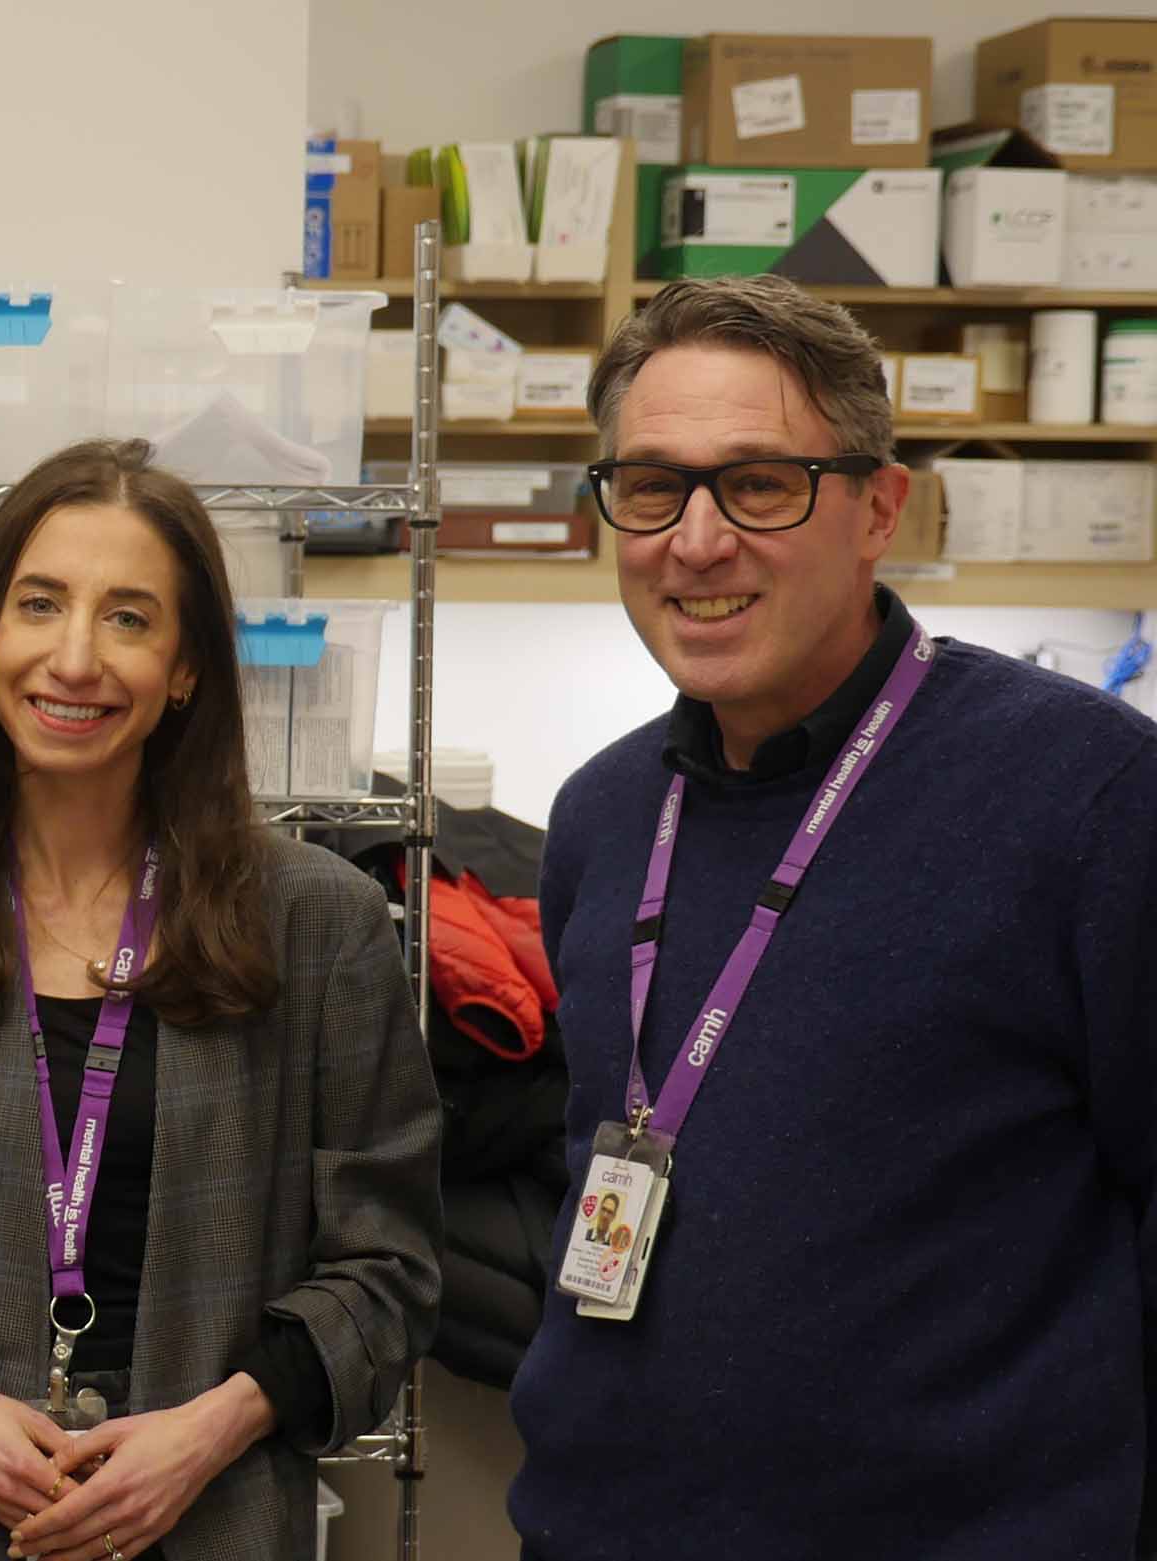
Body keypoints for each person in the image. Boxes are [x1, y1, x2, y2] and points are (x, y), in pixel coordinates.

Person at [507, 275, 1157, 1559]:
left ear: (878, 509)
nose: (695, 540)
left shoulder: (1088, 798)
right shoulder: (602, 814)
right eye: (651, 486)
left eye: (759, 482)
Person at [0, 439, 442, 1561]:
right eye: (39, 604)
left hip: (212, 1519)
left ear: (185, 670)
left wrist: (215, 1428)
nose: (74, 658)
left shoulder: (317, 923)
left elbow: (391, 1272)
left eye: (128, 618)